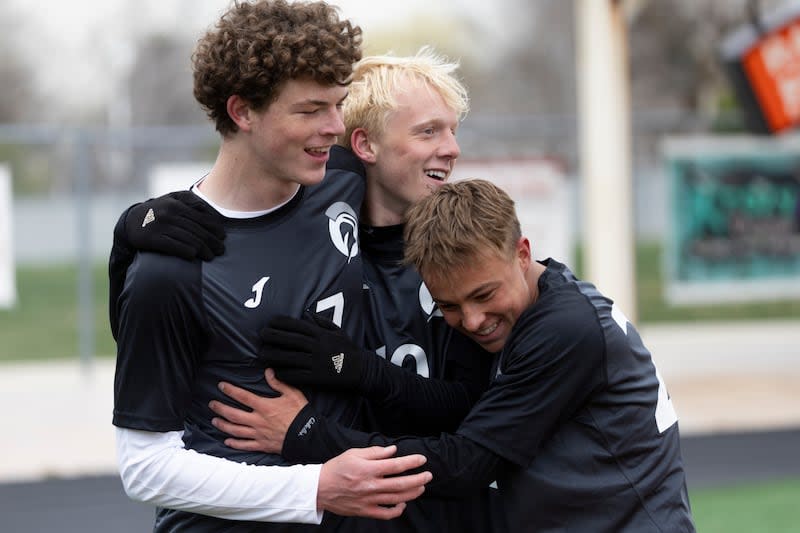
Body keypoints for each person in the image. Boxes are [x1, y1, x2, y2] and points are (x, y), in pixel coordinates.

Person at [112, 49, 506, 531]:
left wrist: (334, 397)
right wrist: (130, 231)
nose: (451, 148)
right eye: (428, 131)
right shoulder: (323, 191)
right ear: (365, 147)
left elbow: (476, 418)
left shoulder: (461, 259)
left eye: (452, 130)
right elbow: (152, 340)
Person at [219, 179, 697, 532]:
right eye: (449, 305)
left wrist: (308, 435)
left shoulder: (564, 329)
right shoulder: (527, 307)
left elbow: (465, 463)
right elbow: (460, 408)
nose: (471, 321)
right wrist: (357, 368)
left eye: (484, 294)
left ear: (522, 252)